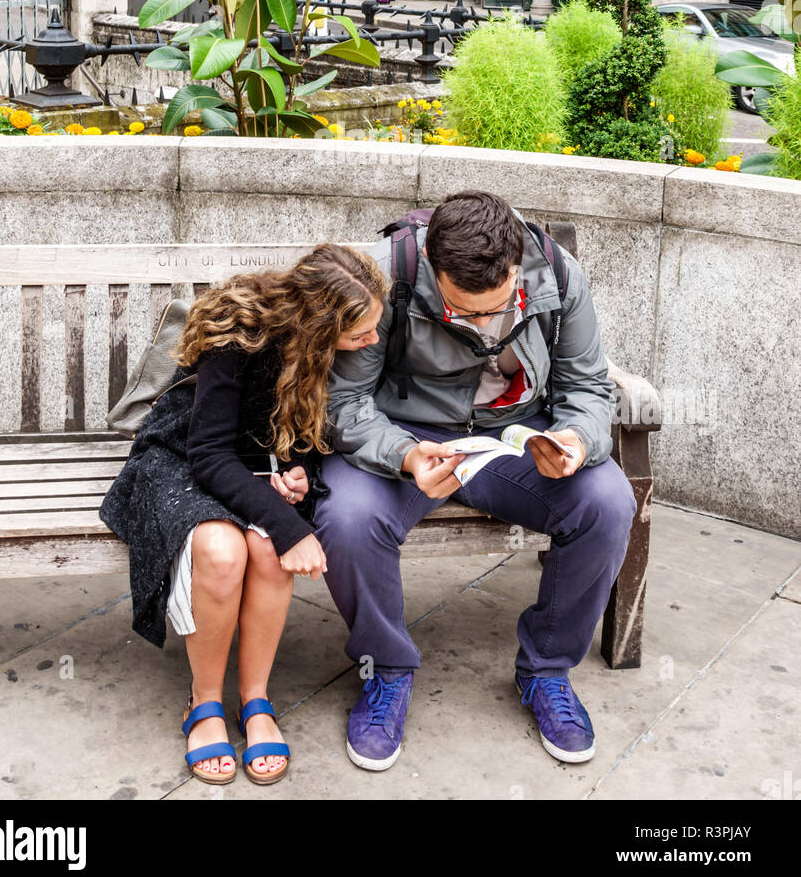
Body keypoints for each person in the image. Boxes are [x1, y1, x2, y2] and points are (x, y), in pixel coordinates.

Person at [314, 190, 637, 771]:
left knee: (608, 501)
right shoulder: (386, 276)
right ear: (434, 269)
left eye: (495, 308)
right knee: (346, 515)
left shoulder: (559, 274)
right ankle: (384, 670)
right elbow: (345, 402)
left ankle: (546, 671)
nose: (483, 324)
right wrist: (405, 455)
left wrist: (577, 442)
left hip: (515, 436)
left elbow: (587, 387)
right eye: (464, 311)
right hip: (407, 437)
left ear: (517, 267)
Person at [99, 244, 387, 787]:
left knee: (269, 554)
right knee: (223, 549)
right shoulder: (238, 327)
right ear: (319, 323)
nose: (371, 341)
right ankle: (204, 701)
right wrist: (290, 527)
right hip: (183, 457)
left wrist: (298, 470)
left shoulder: (319, 346)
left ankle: (255, 698)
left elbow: (300, 428)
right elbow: (207, 454)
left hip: (252, 463)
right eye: (360, 333)